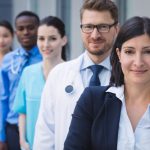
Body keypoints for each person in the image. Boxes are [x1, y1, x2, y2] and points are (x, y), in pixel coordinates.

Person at [33, 0, 119, 149]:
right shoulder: (59, 74)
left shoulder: (128, 77)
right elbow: (45, 133)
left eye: (103, 27)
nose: (95, 34)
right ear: (81, 29)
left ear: (116, 29)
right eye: (88, 27)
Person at [64, 16, 150, 150]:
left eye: (148, 52)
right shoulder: (92, 100)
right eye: (129, 52)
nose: (138, 62)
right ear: (119, 54)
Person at [13, 16, 67, 150]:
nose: (46, 44)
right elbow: (22, 112)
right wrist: (22, 141)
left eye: (52, 38)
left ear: (63, 40)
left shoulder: (72, 73)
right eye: (41, 38)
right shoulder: (28, 73)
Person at [0, 11, 42, 150]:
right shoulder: (8, 60)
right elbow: (3, 98)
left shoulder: (46, 58)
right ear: (15, 32)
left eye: (31, 28)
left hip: (38, 125)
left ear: (39, 28)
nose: (25, 32)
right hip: (12, 126)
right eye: (21, 28)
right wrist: (1, 136)